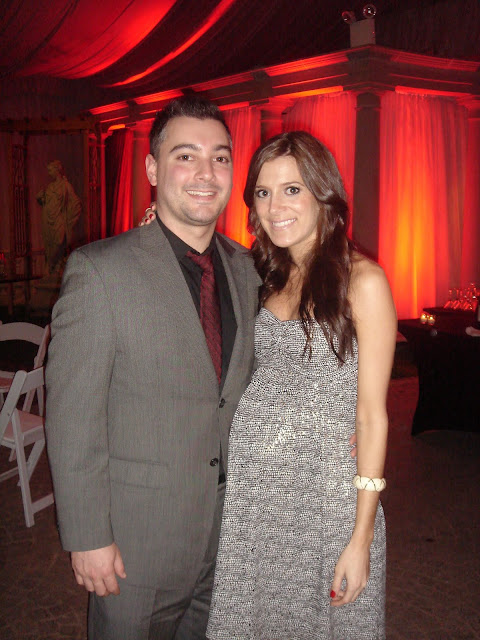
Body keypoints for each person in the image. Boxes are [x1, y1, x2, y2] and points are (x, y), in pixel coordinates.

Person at [45, 96, 260, 640]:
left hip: (226, 536)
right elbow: (73, 418)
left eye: (220, 158)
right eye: (186, 156)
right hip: (135, 546)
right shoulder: (100, 272)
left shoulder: (247, 270)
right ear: (152, 169)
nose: (206, 173)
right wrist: (87, 536)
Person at [206, 131, 397, 640]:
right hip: (256, 502)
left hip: (326, 503)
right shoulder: (263, 273)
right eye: (263, 192)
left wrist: (361, 538)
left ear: (323, 192)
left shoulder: (364, 282)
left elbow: (372, 416)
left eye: (292, 189)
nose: (275, 207)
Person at [36, 160, 82, 274]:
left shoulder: (65, 185)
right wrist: (40, 199)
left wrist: (71, 216)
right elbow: (46, 202)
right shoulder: (50, 186)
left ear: (57, 170)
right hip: (47, 219)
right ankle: (54, 266)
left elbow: (75, 202)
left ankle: (51, 264)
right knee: (50, 244)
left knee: (59, 241)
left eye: (50, 170)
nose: (49, 173)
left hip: (59, 219)